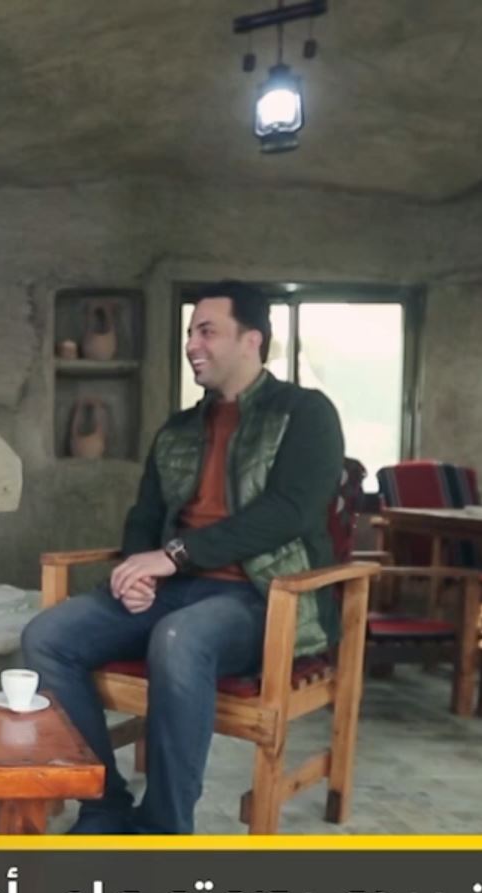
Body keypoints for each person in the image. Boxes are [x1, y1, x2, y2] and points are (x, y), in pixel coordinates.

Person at [21, 281, 346, 834]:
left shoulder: (304, 414)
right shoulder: (177, 430)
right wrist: (134, 573)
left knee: (179, 637)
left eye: (207, 332)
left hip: (262, 596)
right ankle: (103, 803)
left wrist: (175, 555)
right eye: (191, 332)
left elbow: (289, 512)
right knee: (46, 636)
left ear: (251, 340)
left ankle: (163, 830)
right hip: (173, 589)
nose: (192, 344)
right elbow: (145, 515)